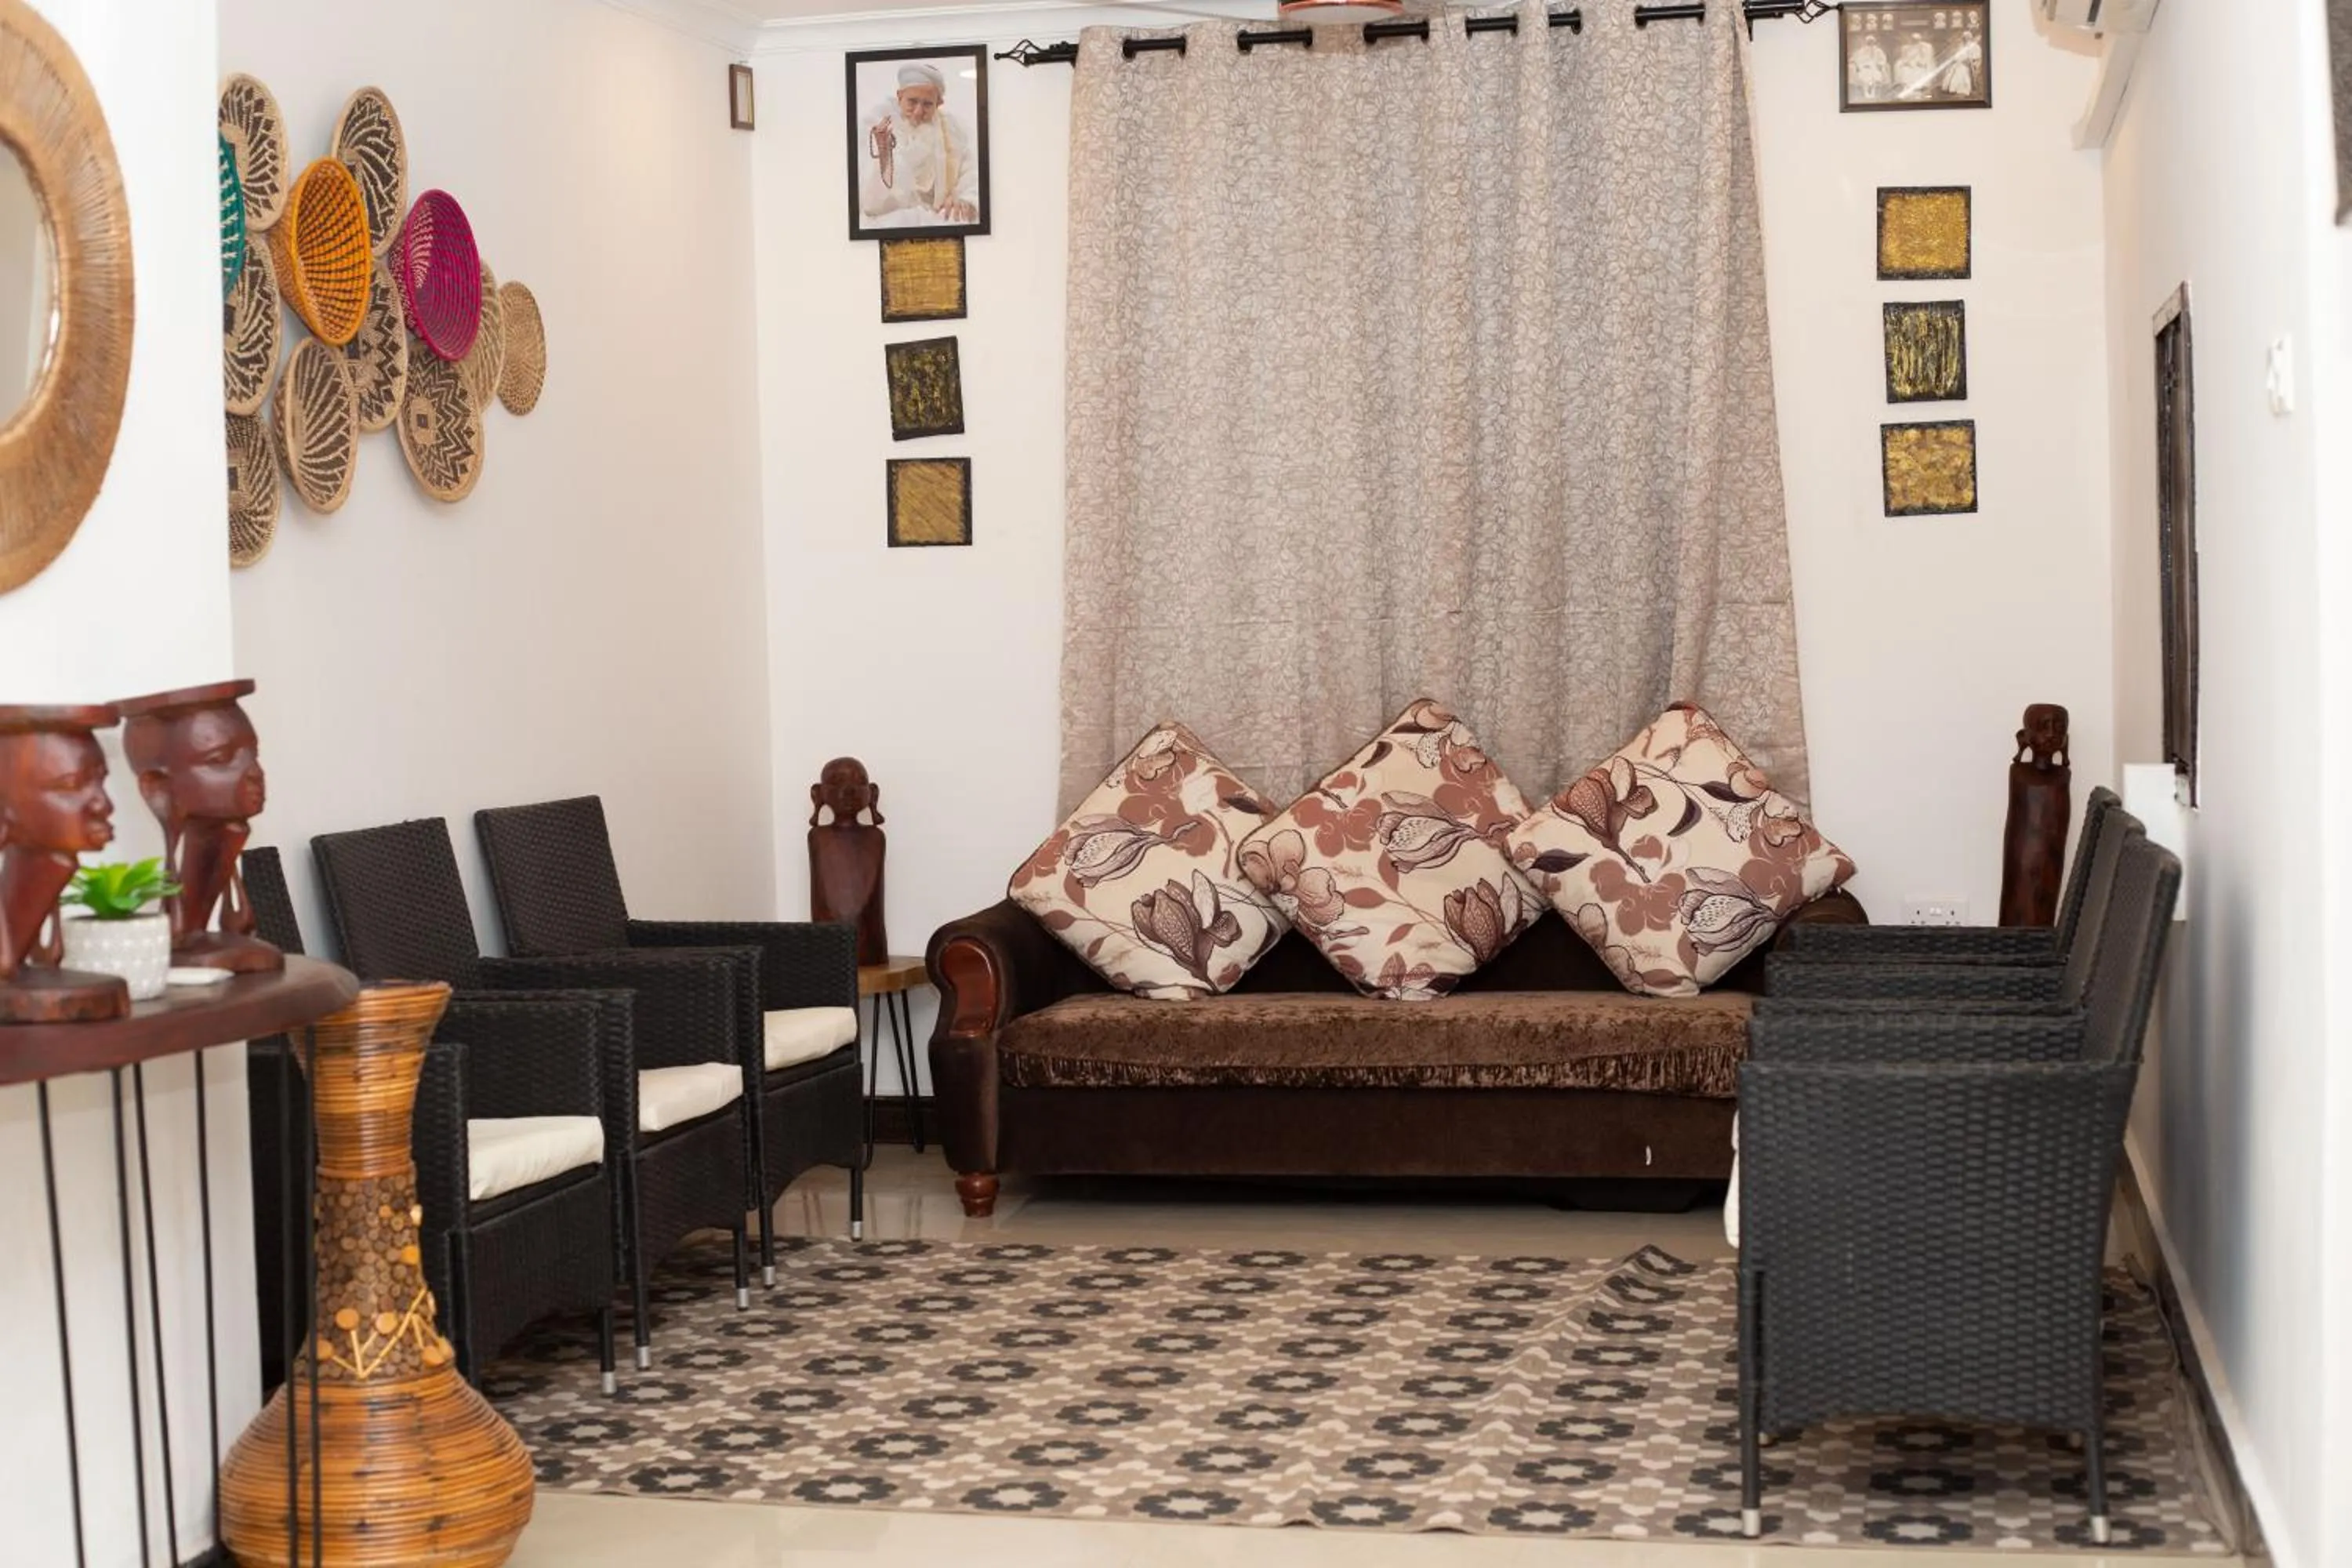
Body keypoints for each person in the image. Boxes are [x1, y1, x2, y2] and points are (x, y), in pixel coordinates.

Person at [859, 63, 978, 229]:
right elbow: (867, 193)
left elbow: (973, 172)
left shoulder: (954, 129)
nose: (918, 111)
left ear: (939, 103)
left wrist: (965, 199)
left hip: (938, 219)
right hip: (887, 221)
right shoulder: (875, 122)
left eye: (927, 104)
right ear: (900, 96)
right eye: (912, 102)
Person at [1848, 34, 1891, 101]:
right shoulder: (1862, 50)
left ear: (1874, 42)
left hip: (1875, 68)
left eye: (1872, 41)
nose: (1870, 43)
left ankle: (1873, 94)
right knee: (1865, 77)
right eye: (1869, 41)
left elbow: (1883, 59)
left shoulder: (1878, 51)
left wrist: (1880, 64)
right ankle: (1867, 94)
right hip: (1864, 68)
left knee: (1875, 77)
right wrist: (1861, 65)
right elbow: (1857, 59)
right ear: (1866, 42)